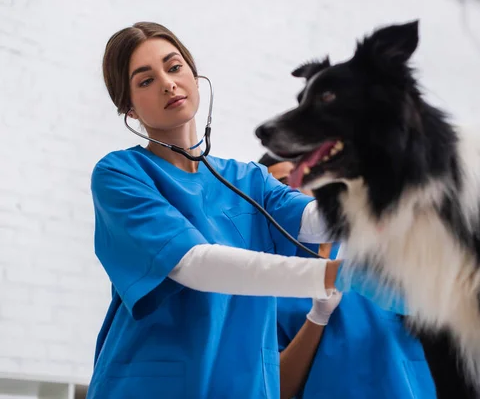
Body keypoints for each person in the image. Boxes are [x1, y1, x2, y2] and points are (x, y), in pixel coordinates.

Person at [88, 21, 342, 399]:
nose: (168, 83)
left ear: (193, 73)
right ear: (128, 106)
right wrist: (330, 275)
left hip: (245, 386)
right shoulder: (121, 175)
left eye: (174, 67)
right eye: (145, 81)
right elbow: (194, 264)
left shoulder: (250, 179)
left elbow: (319, 224)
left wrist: (394, 185)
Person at [260, 153, 437, 399]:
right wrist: (317, 318)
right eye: (280, 183)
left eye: (300, 177)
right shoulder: (268, 281)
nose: (292, 188)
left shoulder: (377, 251)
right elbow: (276, 388)